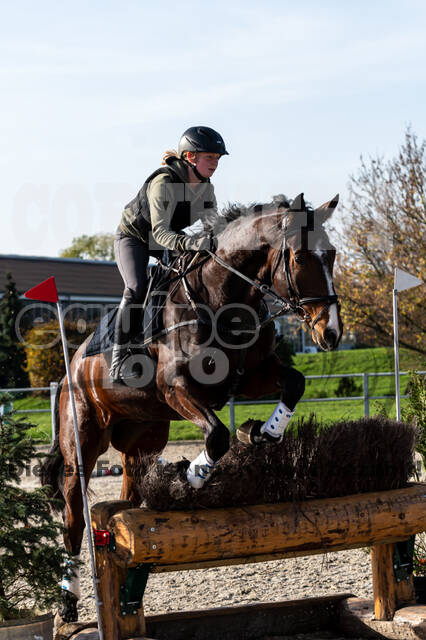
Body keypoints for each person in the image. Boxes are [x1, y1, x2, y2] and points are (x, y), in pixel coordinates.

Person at [110, 126, 228, 382]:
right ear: (190, 157)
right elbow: (161, 234)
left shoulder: (206, 189)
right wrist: (195, 243)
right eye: (210, 157)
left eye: (218, 158)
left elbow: (215, 229)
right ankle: (118, 358)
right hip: (135, 238)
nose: (215, 163)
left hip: (167, 240)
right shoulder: (163, 183)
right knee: (136, 288)